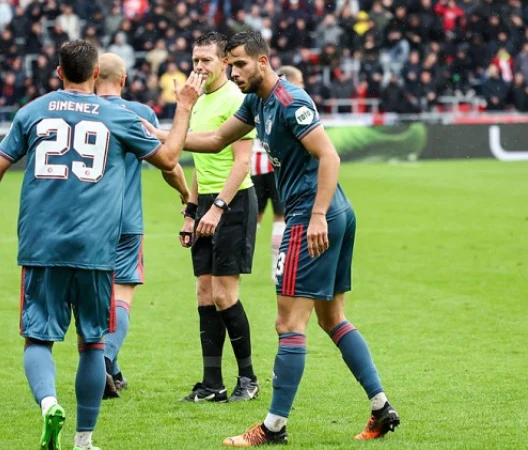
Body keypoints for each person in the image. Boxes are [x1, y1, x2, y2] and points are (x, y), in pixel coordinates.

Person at [142, 31, 400, 446]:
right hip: (332, 213)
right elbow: (213, 141)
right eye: (232, 64)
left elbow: (329, 156)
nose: (234, 71)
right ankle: (381, 407)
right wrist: (159, 135)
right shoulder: (255, 101)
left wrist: (315, 216)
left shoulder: (288, 101)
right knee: (332, 319)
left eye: (240, 63)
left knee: (288, 323)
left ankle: (274, 427)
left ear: (263, 61)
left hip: (312, 215)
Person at [0, 40, 202, 450]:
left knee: (38, 339)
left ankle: (49, 403)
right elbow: (168, 160)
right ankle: (84, 439)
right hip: (97, 246)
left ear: (59, 72)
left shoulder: (32, 111)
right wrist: (183, 106)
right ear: (96, 75)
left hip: (41, 245)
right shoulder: (117, 114)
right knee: (93, 342)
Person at [95, 53, 191, 399]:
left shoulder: (77, 111)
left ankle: (113, 370)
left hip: (83, 222)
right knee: (121, 296)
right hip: (125, 220)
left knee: (95, 299)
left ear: (92, 78)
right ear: (123, 81)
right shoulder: (140, 114)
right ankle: (103, 362)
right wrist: (184, 193)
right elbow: (167, 163)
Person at [178, 31, 260, 403]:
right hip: (208, 204)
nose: (199, 67)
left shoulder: (238, 100)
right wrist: (191, 210)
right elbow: (201, 163)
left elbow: (242, 162)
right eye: (195, 60)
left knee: (225, 295)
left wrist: (217, 207)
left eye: (206, 60)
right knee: (204, 293)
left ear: (224, 62)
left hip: (235, 201)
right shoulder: (196, 101)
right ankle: (213, 384)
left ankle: (249, 379)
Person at [251, 66, 302, 283]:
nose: (302, 86)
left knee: (255, 217)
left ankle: (239, 260)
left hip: (254, 167)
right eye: (300, 81)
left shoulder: (261, 101)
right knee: (280, 217)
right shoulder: (287, 101)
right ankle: (276, 269)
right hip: (276, 168)